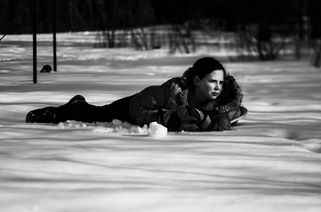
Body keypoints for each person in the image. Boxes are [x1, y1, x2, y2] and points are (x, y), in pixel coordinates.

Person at [26, 57, 247, 131]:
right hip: (133, 107)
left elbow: (228, 118)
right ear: (197, 81)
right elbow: (141, 108)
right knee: (96, 115)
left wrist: (210, 121)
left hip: (146, 111)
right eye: (211, 81)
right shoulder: (173, 90)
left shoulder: (223, 104)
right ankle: (69, 109)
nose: (217, 87)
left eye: (220, 82)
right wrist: (162, 119)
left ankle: (79, 106)